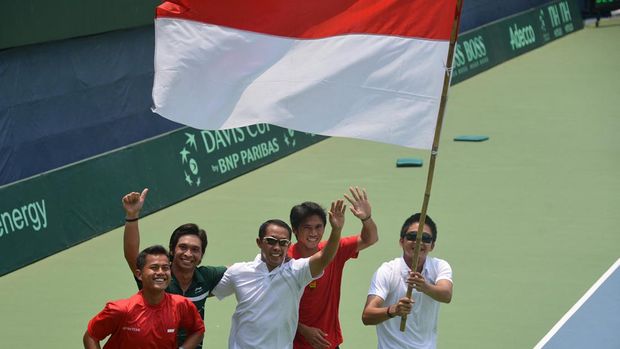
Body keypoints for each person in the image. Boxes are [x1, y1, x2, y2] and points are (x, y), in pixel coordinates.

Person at [211, 200, 346, 349]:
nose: (277, 247)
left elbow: (324, 258)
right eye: (271, 241)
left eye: (283, 243)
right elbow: (205, 289)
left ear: (288, 245)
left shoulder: (296, 272)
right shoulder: (239, 272)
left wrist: (336, 230)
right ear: (259, 242)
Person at [122, 189, 225, 348]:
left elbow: (241, 269)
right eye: (183, 247)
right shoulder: (158, 277)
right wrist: (132, 216)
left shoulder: (207, 277)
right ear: (172, 250)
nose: (188, 254)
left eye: (195, 249)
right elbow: (132, 256)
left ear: (202, 255)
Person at [289, 187, 378, 349]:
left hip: (328, 344)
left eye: (318, 227)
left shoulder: (334, 249)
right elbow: (272, 307)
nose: (313, 233)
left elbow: (370, 238)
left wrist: (367, 219)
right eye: (307, 227)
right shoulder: (284, 260)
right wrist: (302, 329)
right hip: (290, 343)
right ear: (295, 230)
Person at [83, 245, 204, 349]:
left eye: (165, 268)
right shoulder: (120, 309)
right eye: (154, 267)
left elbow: (198, 330)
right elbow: (91, 336)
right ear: (139, 275)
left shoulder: (181, 305)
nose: (161, 272)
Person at [362, 213, 453, 349]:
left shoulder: (440, 266)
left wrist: (424, 286)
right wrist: (393, 310)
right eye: (412, 237)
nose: (418, 242)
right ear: (401, 241)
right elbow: (367, 315)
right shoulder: (387, 270)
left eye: (426, 238)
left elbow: (446, 295)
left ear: (432, 245)